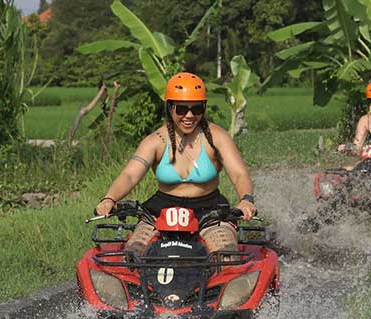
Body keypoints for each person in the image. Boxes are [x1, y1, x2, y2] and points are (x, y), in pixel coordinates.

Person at [94, 72, 257, 255]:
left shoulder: (218, 137)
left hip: (210, 212)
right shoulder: (155, 141)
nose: (189, 116)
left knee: (227, 257)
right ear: (170, 108)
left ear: (203, 108)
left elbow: (239, 174)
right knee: (133, 255)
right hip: (159, 211)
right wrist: (109, 199)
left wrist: (246, 200)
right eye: (181, 109)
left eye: (196, 109)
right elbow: (130, 175)